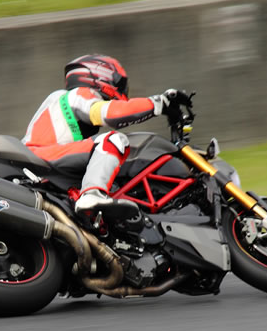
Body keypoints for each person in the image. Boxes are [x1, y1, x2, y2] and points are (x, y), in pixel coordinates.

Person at [21, 54, 179, 215]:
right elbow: (109, 113)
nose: (123, 90)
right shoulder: (78, 94)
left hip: (41, 159)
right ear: (102, 76)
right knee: (114, 140)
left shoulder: (60, 100)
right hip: (41, 154)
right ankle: (92, 195)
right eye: (120, 83)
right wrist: (158, 103)